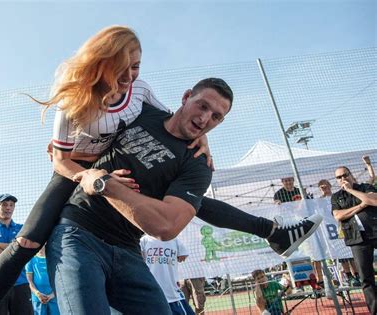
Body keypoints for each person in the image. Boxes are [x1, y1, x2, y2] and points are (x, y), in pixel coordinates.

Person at [0, 25, 209, 314]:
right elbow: (61, 160)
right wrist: (87, 175)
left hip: (108, 169)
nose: (128, 76)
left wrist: (203, 136)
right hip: (75, 169)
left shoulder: (142, 90)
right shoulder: (74, 101)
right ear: (101, 64)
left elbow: (172, 121)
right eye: (120, 68)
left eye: (135, 66)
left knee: (200, 204)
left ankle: (271, 232)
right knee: (28, 240)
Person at [47, 77, 322, 314]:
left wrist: (105, 184)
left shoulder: (198, 164)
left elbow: (166, 226)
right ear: (186, 96)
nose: (205, 119)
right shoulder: (141, 110)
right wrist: (71, 160)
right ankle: (273, 232)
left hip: (127, 247)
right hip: (77, 232)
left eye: (216, 117)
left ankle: (272, 231)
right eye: (202, 106)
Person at [331, 166, 377, 314]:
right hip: (357, 239)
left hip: (375, 231)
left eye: (345, 175)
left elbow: (373, 200)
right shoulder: (336, 197)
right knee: (366, 278)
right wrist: (361, 205)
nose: (342, 179)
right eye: (339, 177)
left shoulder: (365, 186)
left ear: (351, 174)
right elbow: (338, 215)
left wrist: (350, 190)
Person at [0, 194, 33, 315]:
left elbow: (24, 251)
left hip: (21, 283)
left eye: (11, 205)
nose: (8, 208)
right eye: (4, 205)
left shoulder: (22, 228)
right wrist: (15, 246)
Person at [318, 178, 361, 287]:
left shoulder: (337, 196)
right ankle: (349, 276)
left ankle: (356, 274)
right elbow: (321, 213)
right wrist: (322, 197)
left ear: (330, 186)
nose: (325, 189)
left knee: (350, 251)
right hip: (332, 230)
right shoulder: (320, 201)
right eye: (322, 187)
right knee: (342, 254)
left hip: (344, 225)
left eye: (326, 186)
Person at [140, 235, 194, 315]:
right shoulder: (144, 240)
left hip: (171, 294)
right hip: (155, 294)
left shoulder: (174, 240)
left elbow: (183, 256)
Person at [26, 245, 59, 315]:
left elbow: (60, 280)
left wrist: (53, 295)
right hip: (37, 299)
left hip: (54, 297)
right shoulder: (30, 260)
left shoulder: (54, 259)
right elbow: (30, 281)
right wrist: (38, 294)